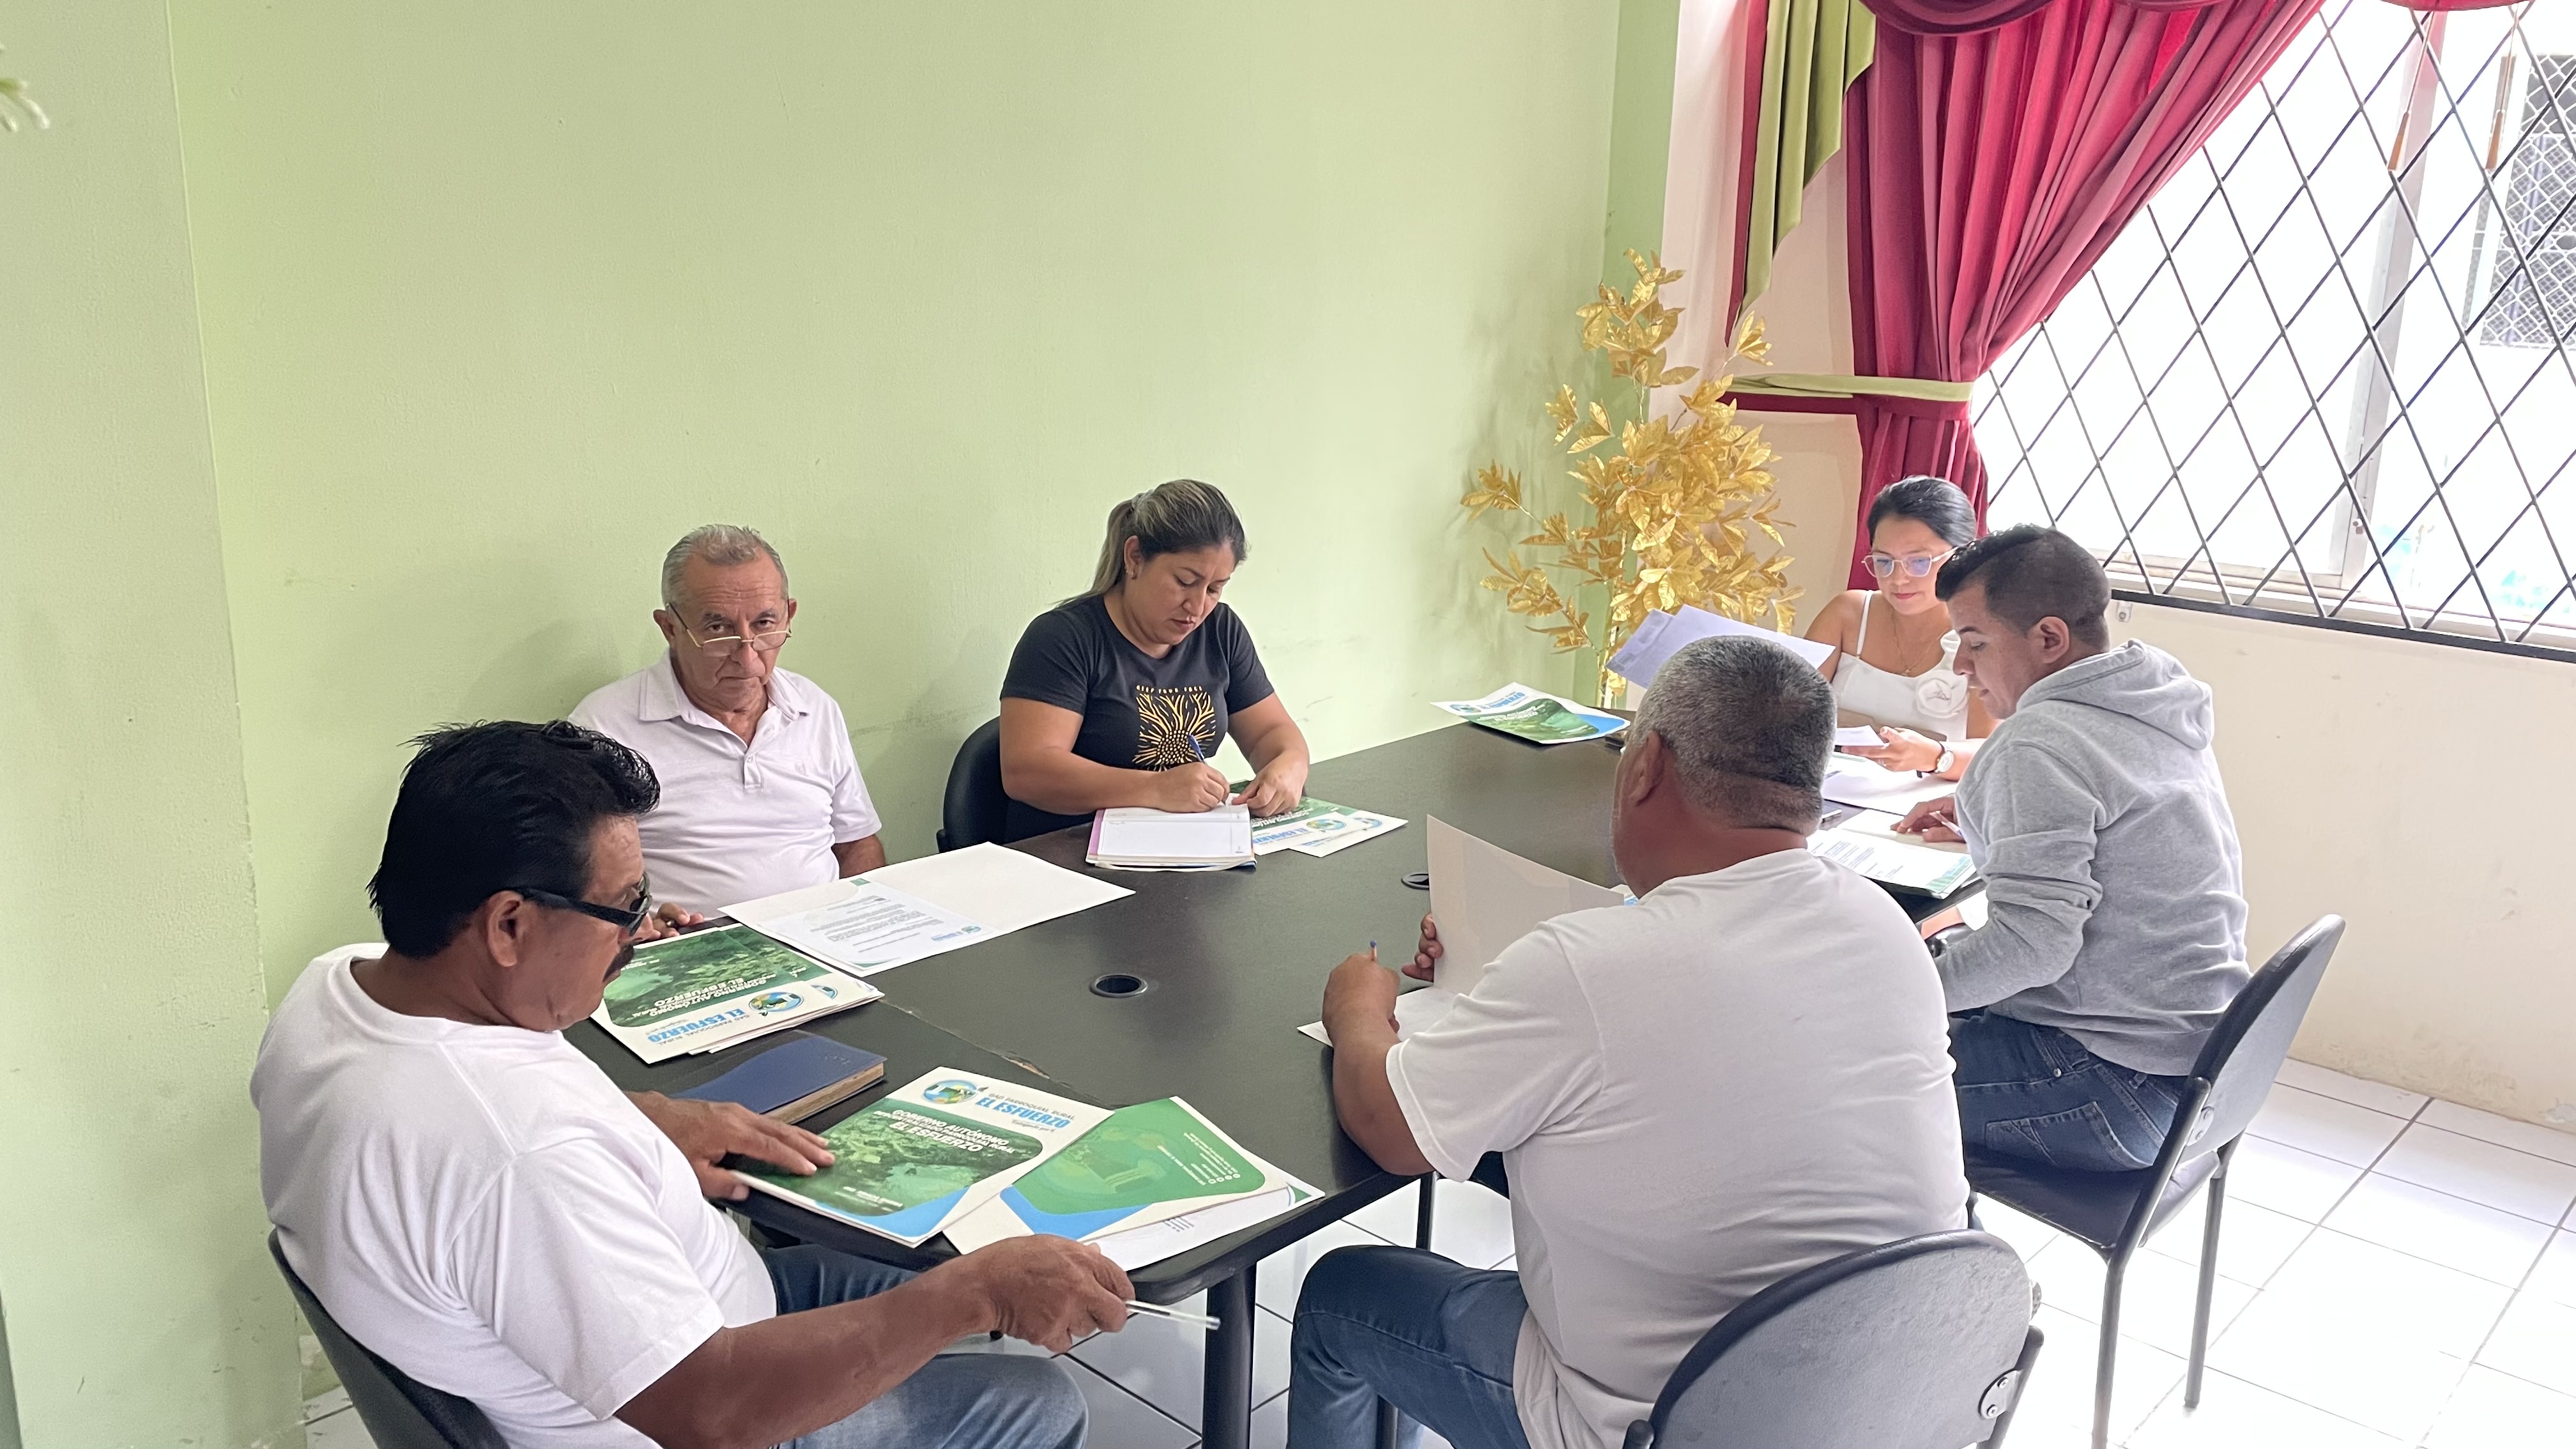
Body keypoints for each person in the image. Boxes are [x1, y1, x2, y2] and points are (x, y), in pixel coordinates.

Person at [252, 720, 1130, 1449]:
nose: (639, 935)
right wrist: (973, 1296)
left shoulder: (340, 985)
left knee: (929, 1265)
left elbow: (480, 1140)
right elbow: (712, 1413)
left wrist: (634, 1123)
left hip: (700, 1300)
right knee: (1033, 1397)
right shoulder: (521, 1158)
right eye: (622, 908)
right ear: (509, 925)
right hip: (702, 1399)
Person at [1294, 638, 1968, 1449]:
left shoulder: (1587, 970)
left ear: (1645, 766)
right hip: (1890, 1399)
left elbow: (1389, 1130)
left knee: (1343, 1296)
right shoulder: (1882, 926)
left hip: (1671, 1424)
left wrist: (1357, 1010)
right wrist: (1514, 984)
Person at [1896, 526, 2248, 1173]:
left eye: (1975, 642)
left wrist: (1887, 993)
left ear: (2049, 639)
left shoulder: (2039, 742)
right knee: (1921, 1001)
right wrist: (1995, 822)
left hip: (2109, 1084)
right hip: (2200, 1073)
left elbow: (2031, 948)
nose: (1960, 667)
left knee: (1844, 1069)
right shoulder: (2150, 703)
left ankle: (1949, 1242)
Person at [571, 525, 885, 920]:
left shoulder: (814, 708)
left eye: (765, 624)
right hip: (691, 946)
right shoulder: (606, 727)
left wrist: (865, 924)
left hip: (821, 936)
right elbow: (581, 887)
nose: (748, 658)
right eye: (718, 630)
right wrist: (640, 928)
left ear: (788, 615)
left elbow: (856, 844)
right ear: (670, 628)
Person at [998, 480, 1310, 839]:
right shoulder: (1063, 638)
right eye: (1184, 581)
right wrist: (1156, 788)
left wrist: (1290, 766)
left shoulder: (1221, 631)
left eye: (1215, 588)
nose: (1198, 607)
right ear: (1134, 557)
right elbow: (1028, 772)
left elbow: (1270, 733)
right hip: (1069, 850)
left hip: (1180, 846)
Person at [1805, 474, 1991, 781]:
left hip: (1928, 798)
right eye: (1884, 561)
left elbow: (1992, 753)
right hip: (1828, 788)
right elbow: (1790, 710)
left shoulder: (1983, 634)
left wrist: (1936, 756)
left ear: (1962, 556)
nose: (1898, 579)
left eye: (1919, 562)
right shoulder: (1848, 614)